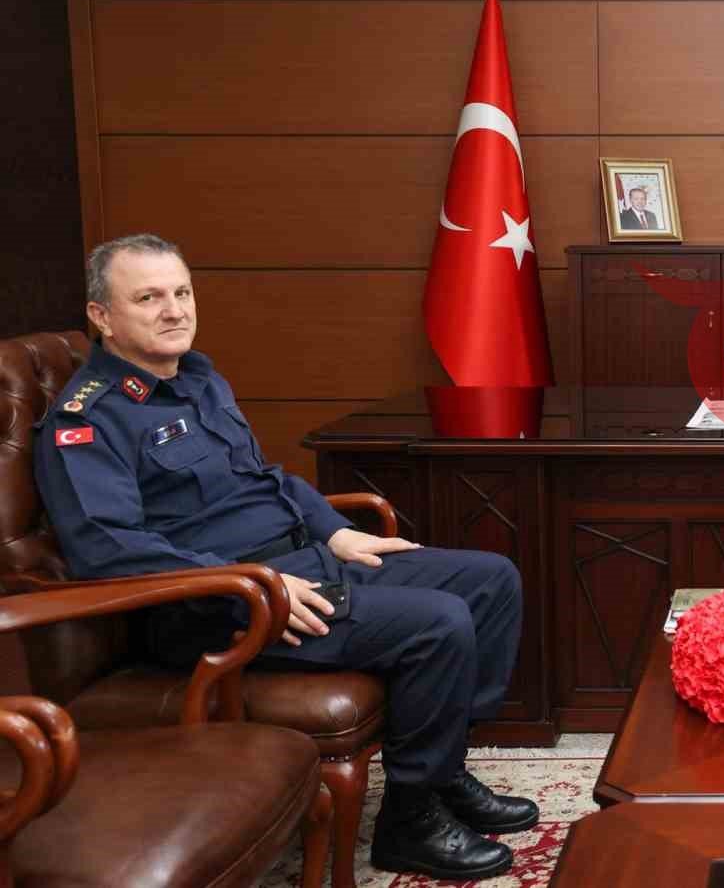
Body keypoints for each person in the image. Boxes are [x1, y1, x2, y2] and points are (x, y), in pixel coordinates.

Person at [34, 234, 538, 882]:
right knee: (438, 622)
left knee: (491, 580)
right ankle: (410, 822)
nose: (174, 310)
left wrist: (335, 531)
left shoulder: (197, 377)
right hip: (223, 605)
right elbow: (107, 550)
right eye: (149, 297)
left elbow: (264, 478)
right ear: (102, 316)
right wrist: (251, 583)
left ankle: (442, 774)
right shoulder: (88, 420)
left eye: (182, 292)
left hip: (301, 562)